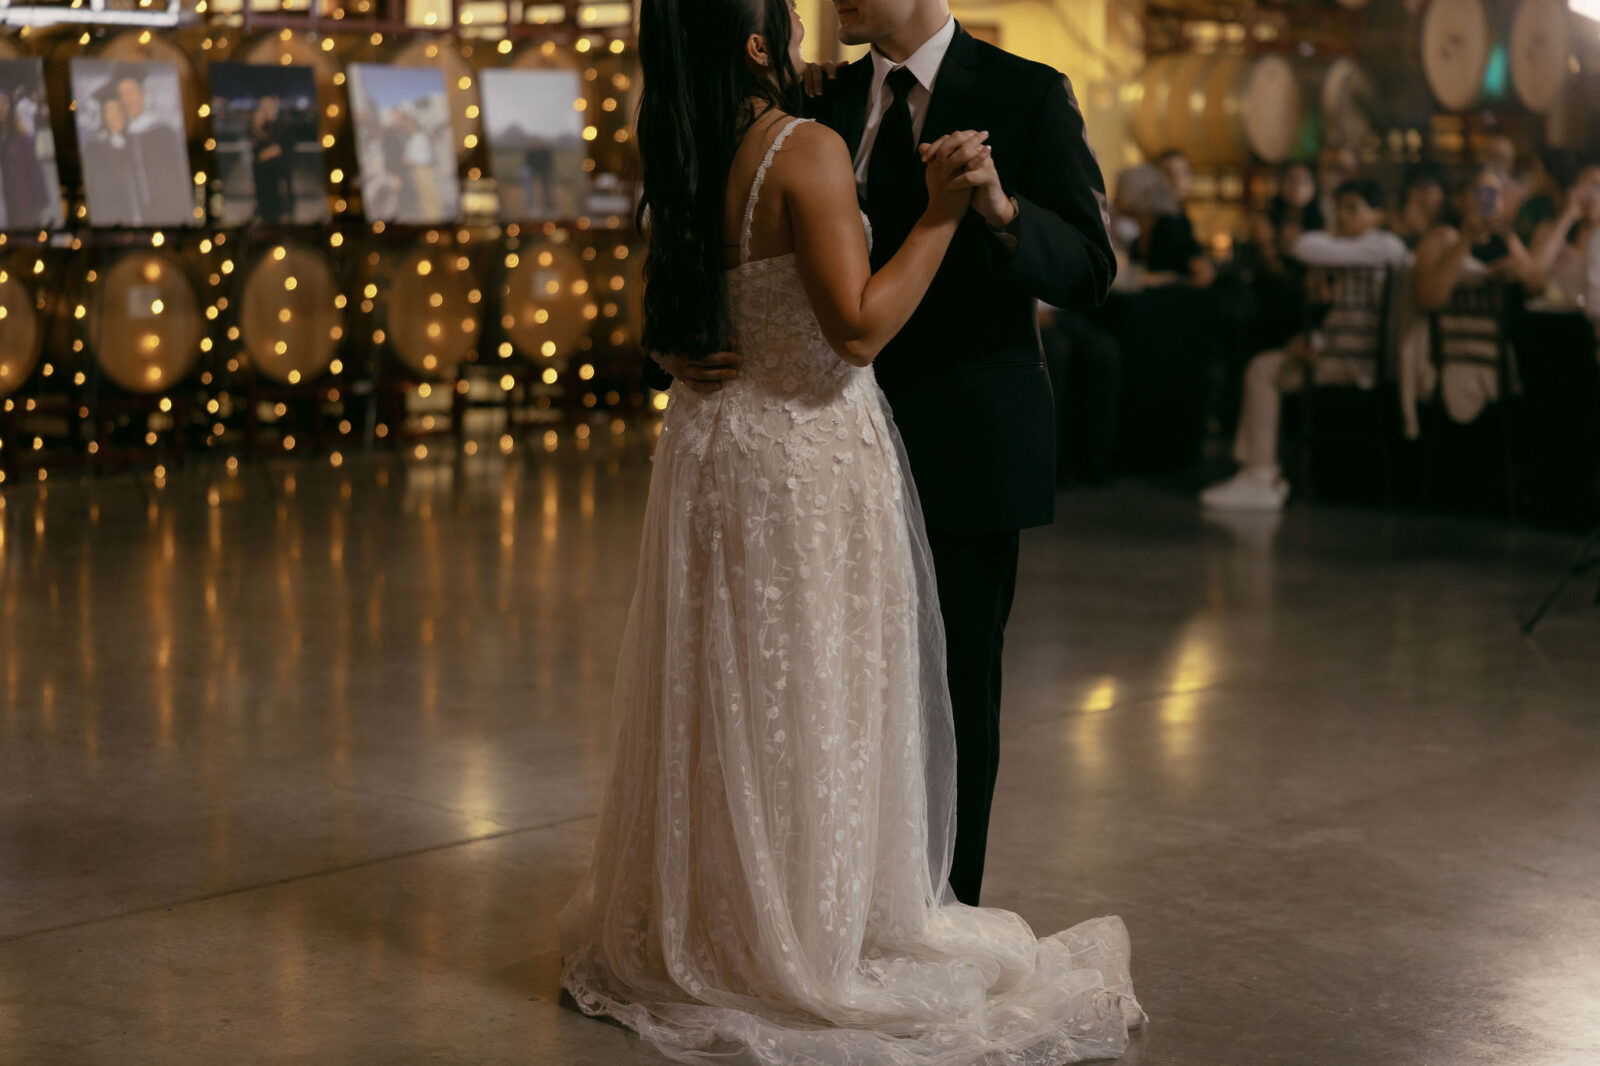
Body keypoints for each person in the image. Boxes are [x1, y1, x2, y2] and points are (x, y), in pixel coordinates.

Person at [558, 0, 1145, 1060]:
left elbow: (1093, 267)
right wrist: (678, 341)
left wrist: (1001, 211)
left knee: (954, 695)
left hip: (958, 448)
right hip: (818, 458)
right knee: (808, 703)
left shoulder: (1026, 94)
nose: (831, 5)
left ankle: (933, 909)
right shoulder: (811, 97)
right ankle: (829, 915)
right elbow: (708, 213)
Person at [1200, 178, 1409, 511]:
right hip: (1341, 352)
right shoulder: (1359, 255)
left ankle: (1261, 473)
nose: (1342, 216)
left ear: (1378, 216)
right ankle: (1256, 471)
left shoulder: (1383, 248)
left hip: (1356, 362)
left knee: (1262, 369)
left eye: (1353, 208)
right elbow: (1342, 318)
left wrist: (1319, 342)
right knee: (1262, 364)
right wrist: (1312, 340)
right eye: (1339, 208)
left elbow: (1305, 246)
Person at [112, 65, 193, 225]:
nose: (127, 100)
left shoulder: (163, 131)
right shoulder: (122, 137)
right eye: (122, 95)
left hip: (167, 213)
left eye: (131, 92)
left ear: (142, 94)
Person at [1114, 162, 1213, 286]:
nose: (1115, 199)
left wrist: (1170, 284)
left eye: (1120, 191)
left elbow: (1203, 273)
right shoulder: (1138, 235)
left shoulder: (1171, 226)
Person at [1527, 159, 1600, 304]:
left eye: (1598, 187)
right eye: (1586, 186)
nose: (1591, 195)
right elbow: (1532, 278)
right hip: (1552, 318)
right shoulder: (1549, 228)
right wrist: (1568, 217)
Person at [81, 88, 141, 226]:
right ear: (104, 116)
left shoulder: (135, 143)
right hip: (111, 221)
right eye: (109, 111)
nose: (116, 116)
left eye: (120, 110)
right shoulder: (94, 148)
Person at [0, 88, 50, 229]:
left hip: (24, 205)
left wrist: (38, 207)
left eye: (4, 103)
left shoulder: (22, 139)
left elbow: (35, 173)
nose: (1, 108)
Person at [248, 95, 292, 223]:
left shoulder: (281, 124)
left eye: (267, 106)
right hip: (264, 172)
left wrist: (272, 152)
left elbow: (281, 147)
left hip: (277, 169)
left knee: (278, 197)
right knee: (266, 199)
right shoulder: (260, 128)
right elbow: (260, 152)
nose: (264, 109)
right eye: (262, 106)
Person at [1392, 163, 1448, 250]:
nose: (1420, 195)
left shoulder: (1447, 231)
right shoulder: (1394, 226)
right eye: (1418, 187)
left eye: (1427, 188)